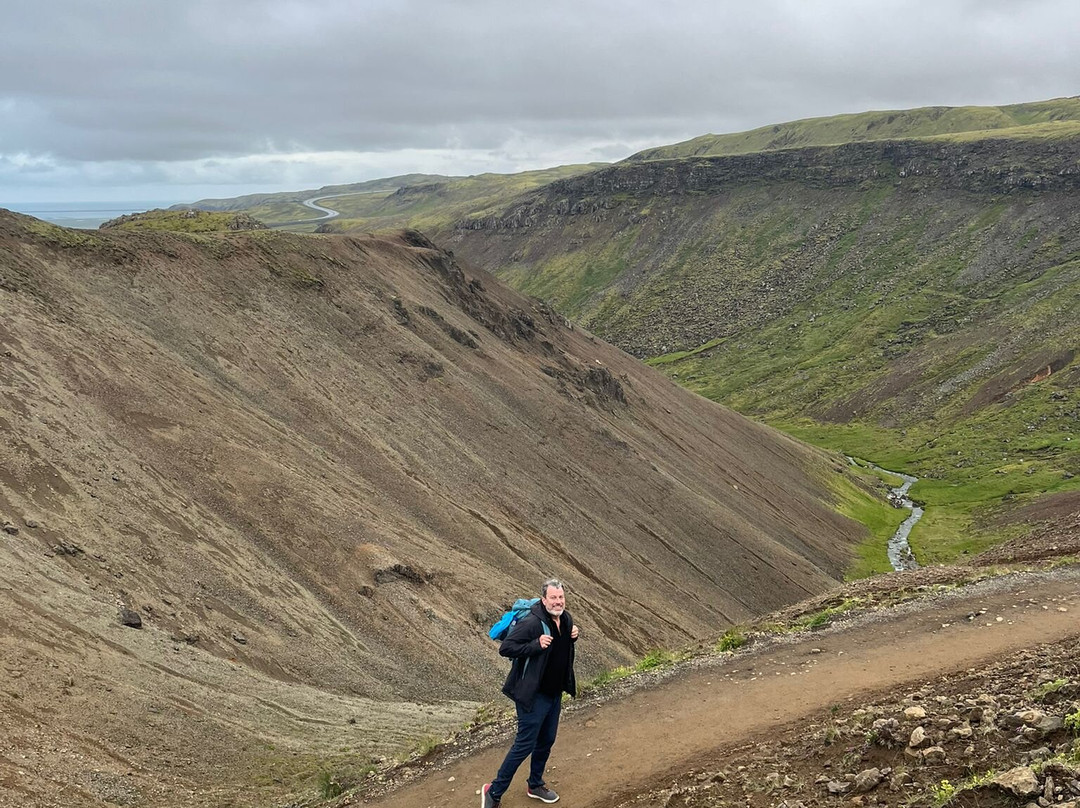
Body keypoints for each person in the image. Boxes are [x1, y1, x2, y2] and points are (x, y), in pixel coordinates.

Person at [482, 578, 579, 807]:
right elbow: (506, 648)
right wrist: (535, 644)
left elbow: (561, 650)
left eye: (561, 597)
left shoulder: (565, 619)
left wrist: (574, 635)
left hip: (554, 694)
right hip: (533, 696)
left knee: (546, 740)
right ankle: (493, 792)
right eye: (553, 598)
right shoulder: (533, 623)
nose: (558, 602)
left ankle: (535, 784)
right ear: (544, 599)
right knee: (524, 744)